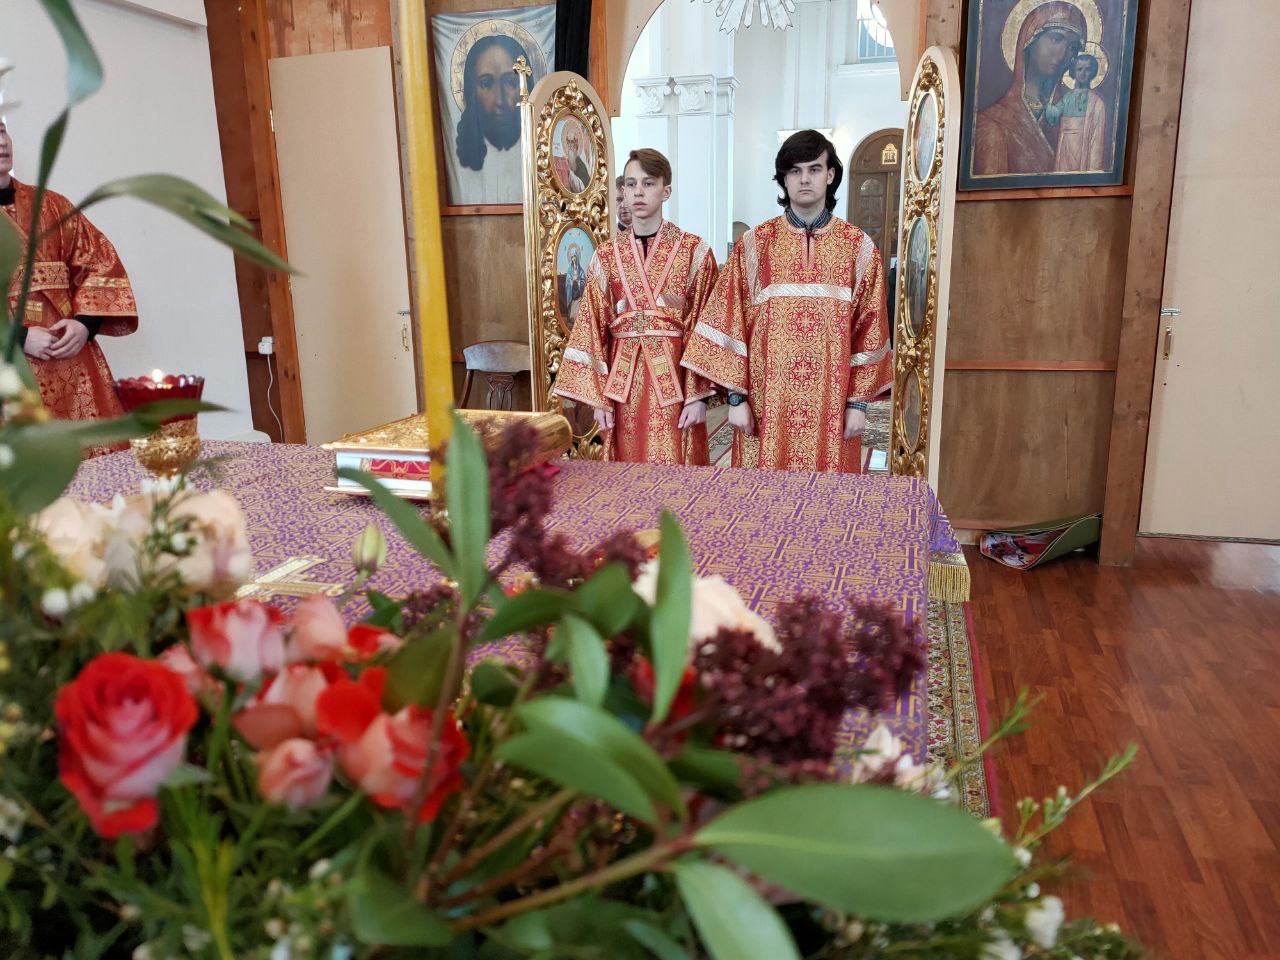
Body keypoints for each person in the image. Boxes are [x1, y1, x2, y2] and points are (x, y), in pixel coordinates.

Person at [681, 130, 891, 473]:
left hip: (832, 408)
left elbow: (869, 329)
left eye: (814, 169)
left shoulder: (858, 247)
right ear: (784, 178)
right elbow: (728, 318)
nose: (804, 179)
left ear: (830, 175)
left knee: (827, 495)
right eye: (795, 171)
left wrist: (858, 405)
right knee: (763, 497)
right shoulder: (754, 245)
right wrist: (736, 398)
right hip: (764, 408)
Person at [555, 148, 717, 465]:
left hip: (676, 387)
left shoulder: (694, 252)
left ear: (666, 191)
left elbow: (705, 327)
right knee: (626, 473)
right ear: (624, 193)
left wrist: (698, 396)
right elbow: (590, 326)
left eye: (648, 183)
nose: (638, 192)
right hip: (622, 389)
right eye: (631, 184)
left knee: (677, 470)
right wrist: (599, 399)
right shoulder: (605, 256)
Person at [1, 117, 137, 452]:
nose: (1, 142)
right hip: (10, 370)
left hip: (73, 360)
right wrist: (20, 338)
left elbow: (99, 264)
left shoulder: (52, 205)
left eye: (1, 131)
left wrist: (84, 325)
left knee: (101, 463)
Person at [972, 1, 1086, 176]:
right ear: (1029, 40)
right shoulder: (993, 123)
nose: (1063, 54)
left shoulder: (1075, 117)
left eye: (1073, 47)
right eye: (1056, 39)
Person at [453, 34, 527, 203]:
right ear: (472, 91)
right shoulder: (461, 169)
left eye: (510, 82)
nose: (500, 100)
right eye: (486, 84)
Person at [1045, 53, 1108, 172]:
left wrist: (1093, 169)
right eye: (1079, 69)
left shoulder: (1096, 103)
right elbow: (1053, 115)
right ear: (1074, 72)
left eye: (1087, 69)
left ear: (1093, 72)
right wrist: (1046, 104)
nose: (1083, 73)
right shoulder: (1067, 98)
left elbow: (1097, 138)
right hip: (1065, 148)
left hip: (1083, 148)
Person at [558, 242, 587, 326]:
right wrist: (571, 281)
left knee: (577, 315)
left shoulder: (581, 270)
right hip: (572, 292)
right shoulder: (569, 269)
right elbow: (567, 280)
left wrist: (578, 282)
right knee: (571, 316)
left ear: (577, 257)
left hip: (578, 292)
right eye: (572, 257)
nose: (573, 258)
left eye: (574, 256)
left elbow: (583, 281)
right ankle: (570, 319)